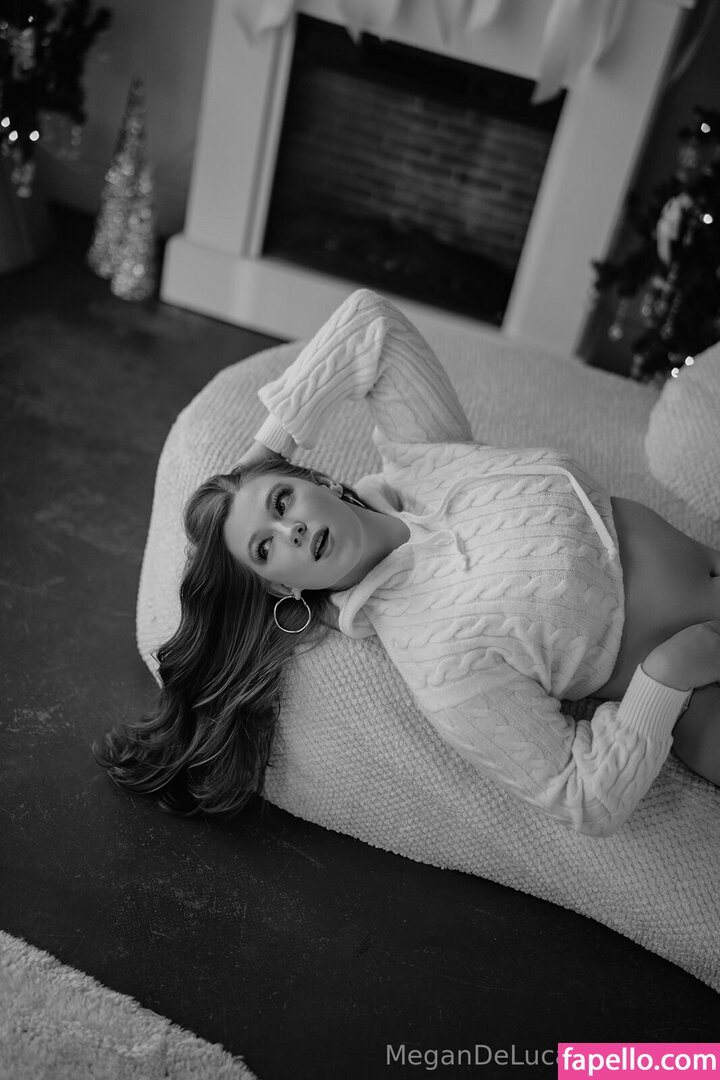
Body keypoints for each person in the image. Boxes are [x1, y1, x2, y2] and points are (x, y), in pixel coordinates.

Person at [97, 289, 720, 835]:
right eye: (266, 548)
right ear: (282, 588)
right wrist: (666, 676)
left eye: (282, 500)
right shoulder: (436, 659)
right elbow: (583, 796)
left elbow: (371, 323)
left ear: (318, 481)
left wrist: (263, 451)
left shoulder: (425, 455)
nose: (291, 529)